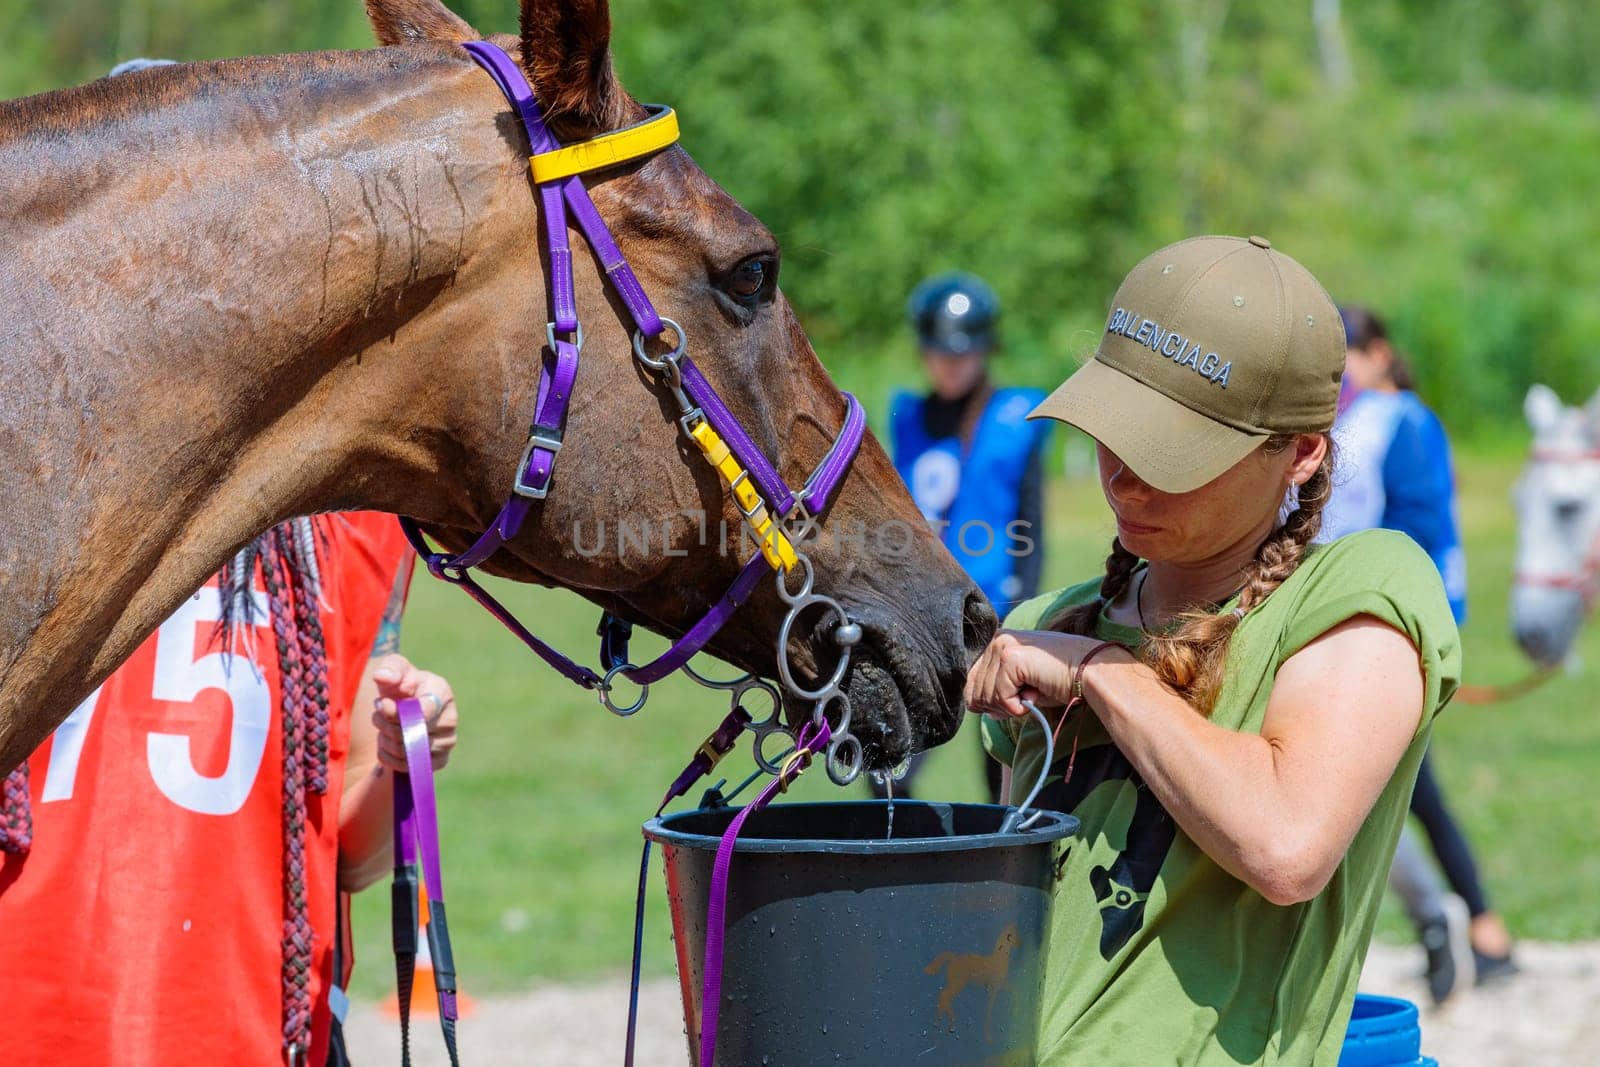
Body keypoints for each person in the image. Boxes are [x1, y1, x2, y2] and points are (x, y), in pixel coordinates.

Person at [968, 235, 1461, 1064]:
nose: (1124, 477)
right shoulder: (1054, 618)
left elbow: (1286, 845)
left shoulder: (1362, 589)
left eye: (1173, 455)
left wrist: (1099, 675)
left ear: (1302, 453)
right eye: (1112, 433)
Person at [0, 513, 458, 1067]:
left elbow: (350, 855)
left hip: (249, 1030)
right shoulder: (31, 484)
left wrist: (403, 759)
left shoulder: (352, 518)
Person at [1324, 304, 1517, 1000]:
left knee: (1409, 789)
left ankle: (1464, 922)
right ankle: (1471, 925)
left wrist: (1428, 633)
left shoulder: (1399, 420)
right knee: (1405, 789)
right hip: (1345, 622)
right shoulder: (1343, 420)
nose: (1339, 364)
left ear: (1378, 352)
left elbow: (1428, 533)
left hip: (1383, 627)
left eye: (1347, 350)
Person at [887, 272, 1051, 801]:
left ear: (985, 349)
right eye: (940, 352)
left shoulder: (1015, 418)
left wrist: (1021, 617)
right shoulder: (907, 417)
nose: (951, 363)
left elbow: (1032, 525)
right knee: (892, 759)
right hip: (919, 608)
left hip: (990, 609)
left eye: (963, 353)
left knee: (998, 756)